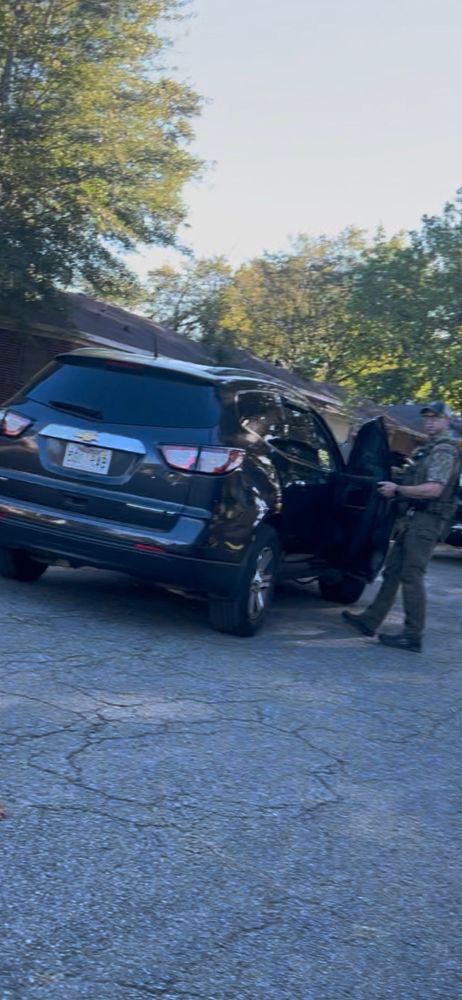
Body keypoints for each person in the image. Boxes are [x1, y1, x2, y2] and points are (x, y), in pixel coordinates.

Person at [342, 401, 461, 652]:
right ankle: (370, 620)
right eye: (427, 417)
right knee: (393, 572)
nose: (429, 421)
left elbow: (433, 489)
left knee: (411, 576)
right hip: (414, 519)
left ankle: (412, 635)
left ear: (446, 421)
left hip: (427, 522)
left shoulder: (443, 452)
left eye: (435, 418)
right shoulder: (428, 450)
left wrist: (397, 489)